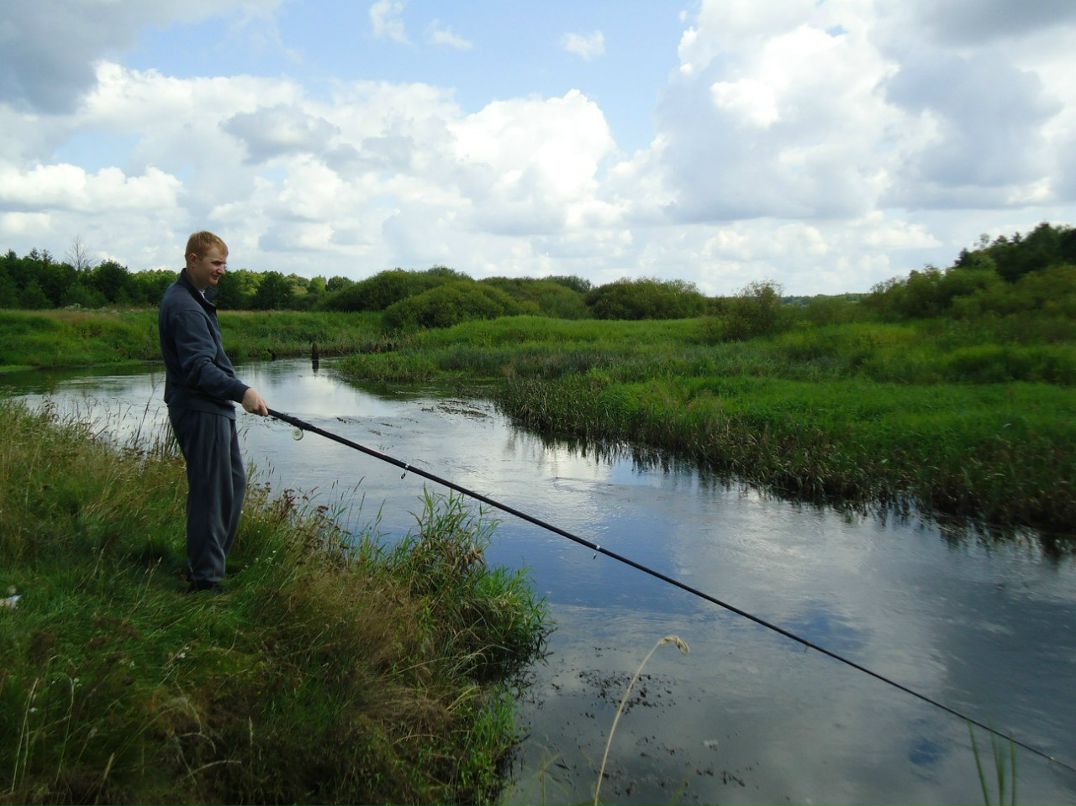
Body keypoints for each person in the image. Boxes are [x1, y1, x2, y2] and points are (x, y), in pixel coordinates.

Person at [158, 231, 269, 593]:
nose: (222, 269)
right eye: (215, 262)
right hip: (200, 408)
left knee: (231, 486)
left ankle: (211, 565)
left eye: (224, 263)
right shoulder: (186, 306)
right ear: (193, 260)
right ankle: (205, 581)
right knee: (211, 493)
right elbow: (199, 369)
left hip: (212, 408)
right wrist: (243, 392)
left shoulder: (196, 298)